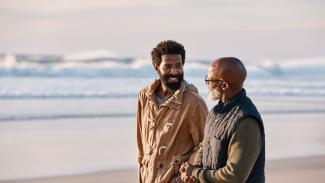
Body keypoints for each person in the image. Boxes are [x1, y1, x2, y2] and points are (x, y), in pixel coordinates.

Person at [179, 57, 265, 183]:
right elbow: (204, 146)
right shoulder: (215, 112)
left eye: (209, 80)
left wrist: (196, 173)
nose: (207, 84)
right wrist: (193, 172)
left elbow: (234, 176)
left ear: (224, 85)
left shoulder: (246, 121)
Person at [136, 40, 208, 183]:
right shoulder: (144, 96)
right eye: (167, 66)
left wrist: (184, 175)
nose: (174, 71)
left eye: (178, 66)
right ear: (156, 67)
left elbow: (205, 144)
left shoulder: (194, 103)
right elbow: (141, 143)